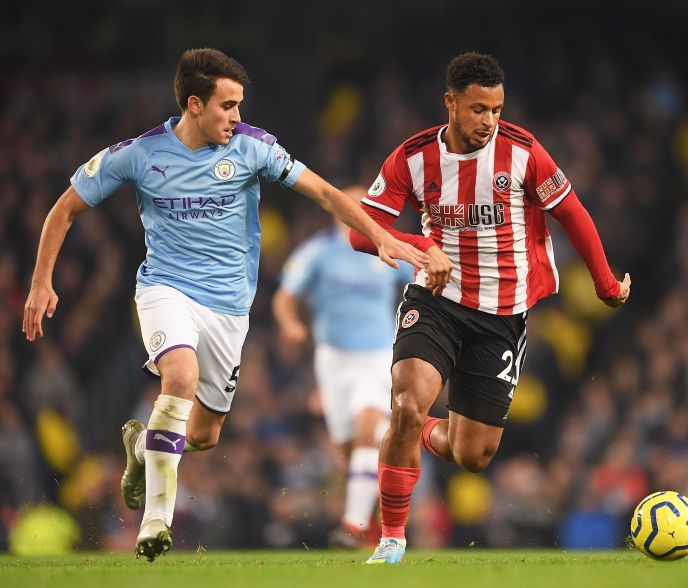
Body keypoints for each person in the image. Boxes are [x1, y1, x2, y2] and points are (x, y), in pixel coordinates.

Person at [21, 48, 427, 562]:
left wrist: (379, 236)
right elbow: (65, 208)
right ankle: (155, 522)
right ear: (194, 104)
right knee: (180, 377)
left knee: (206, 435)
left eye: (240, 106)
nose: (237, 117)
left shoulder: (254, 149)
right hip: (166, 290)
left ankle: (147, 451)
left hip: (230, 310)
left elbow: (325, 194)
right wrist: (41, 282)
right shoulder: (140, 154)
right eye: (228, 106)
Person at [349, 52, 631, 564]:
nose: (489, 122)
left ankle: (424, 431)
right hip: (436, 300)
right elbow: (360, 231)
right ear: (450, 103)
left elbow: (572, 213)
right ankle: (391, 538)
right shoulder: (412, 157)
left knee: (471, 454)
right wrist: (420, 246)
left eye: (497, 110)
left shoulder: (523, 152)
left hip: (503, 315)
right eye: (479, 109)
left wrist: (606, 282)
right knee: (409, 400)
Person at [272, 185, 414, 548]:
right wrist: (290, 323)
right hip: (333, 359)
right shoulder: (318, 253)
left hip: (378, 354)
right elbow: (284, 296)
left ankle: (353, 525)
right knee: (350, 448)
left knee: (370, 428)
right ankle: (370, 520)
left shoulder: (387, 247)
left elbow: (422, 285)